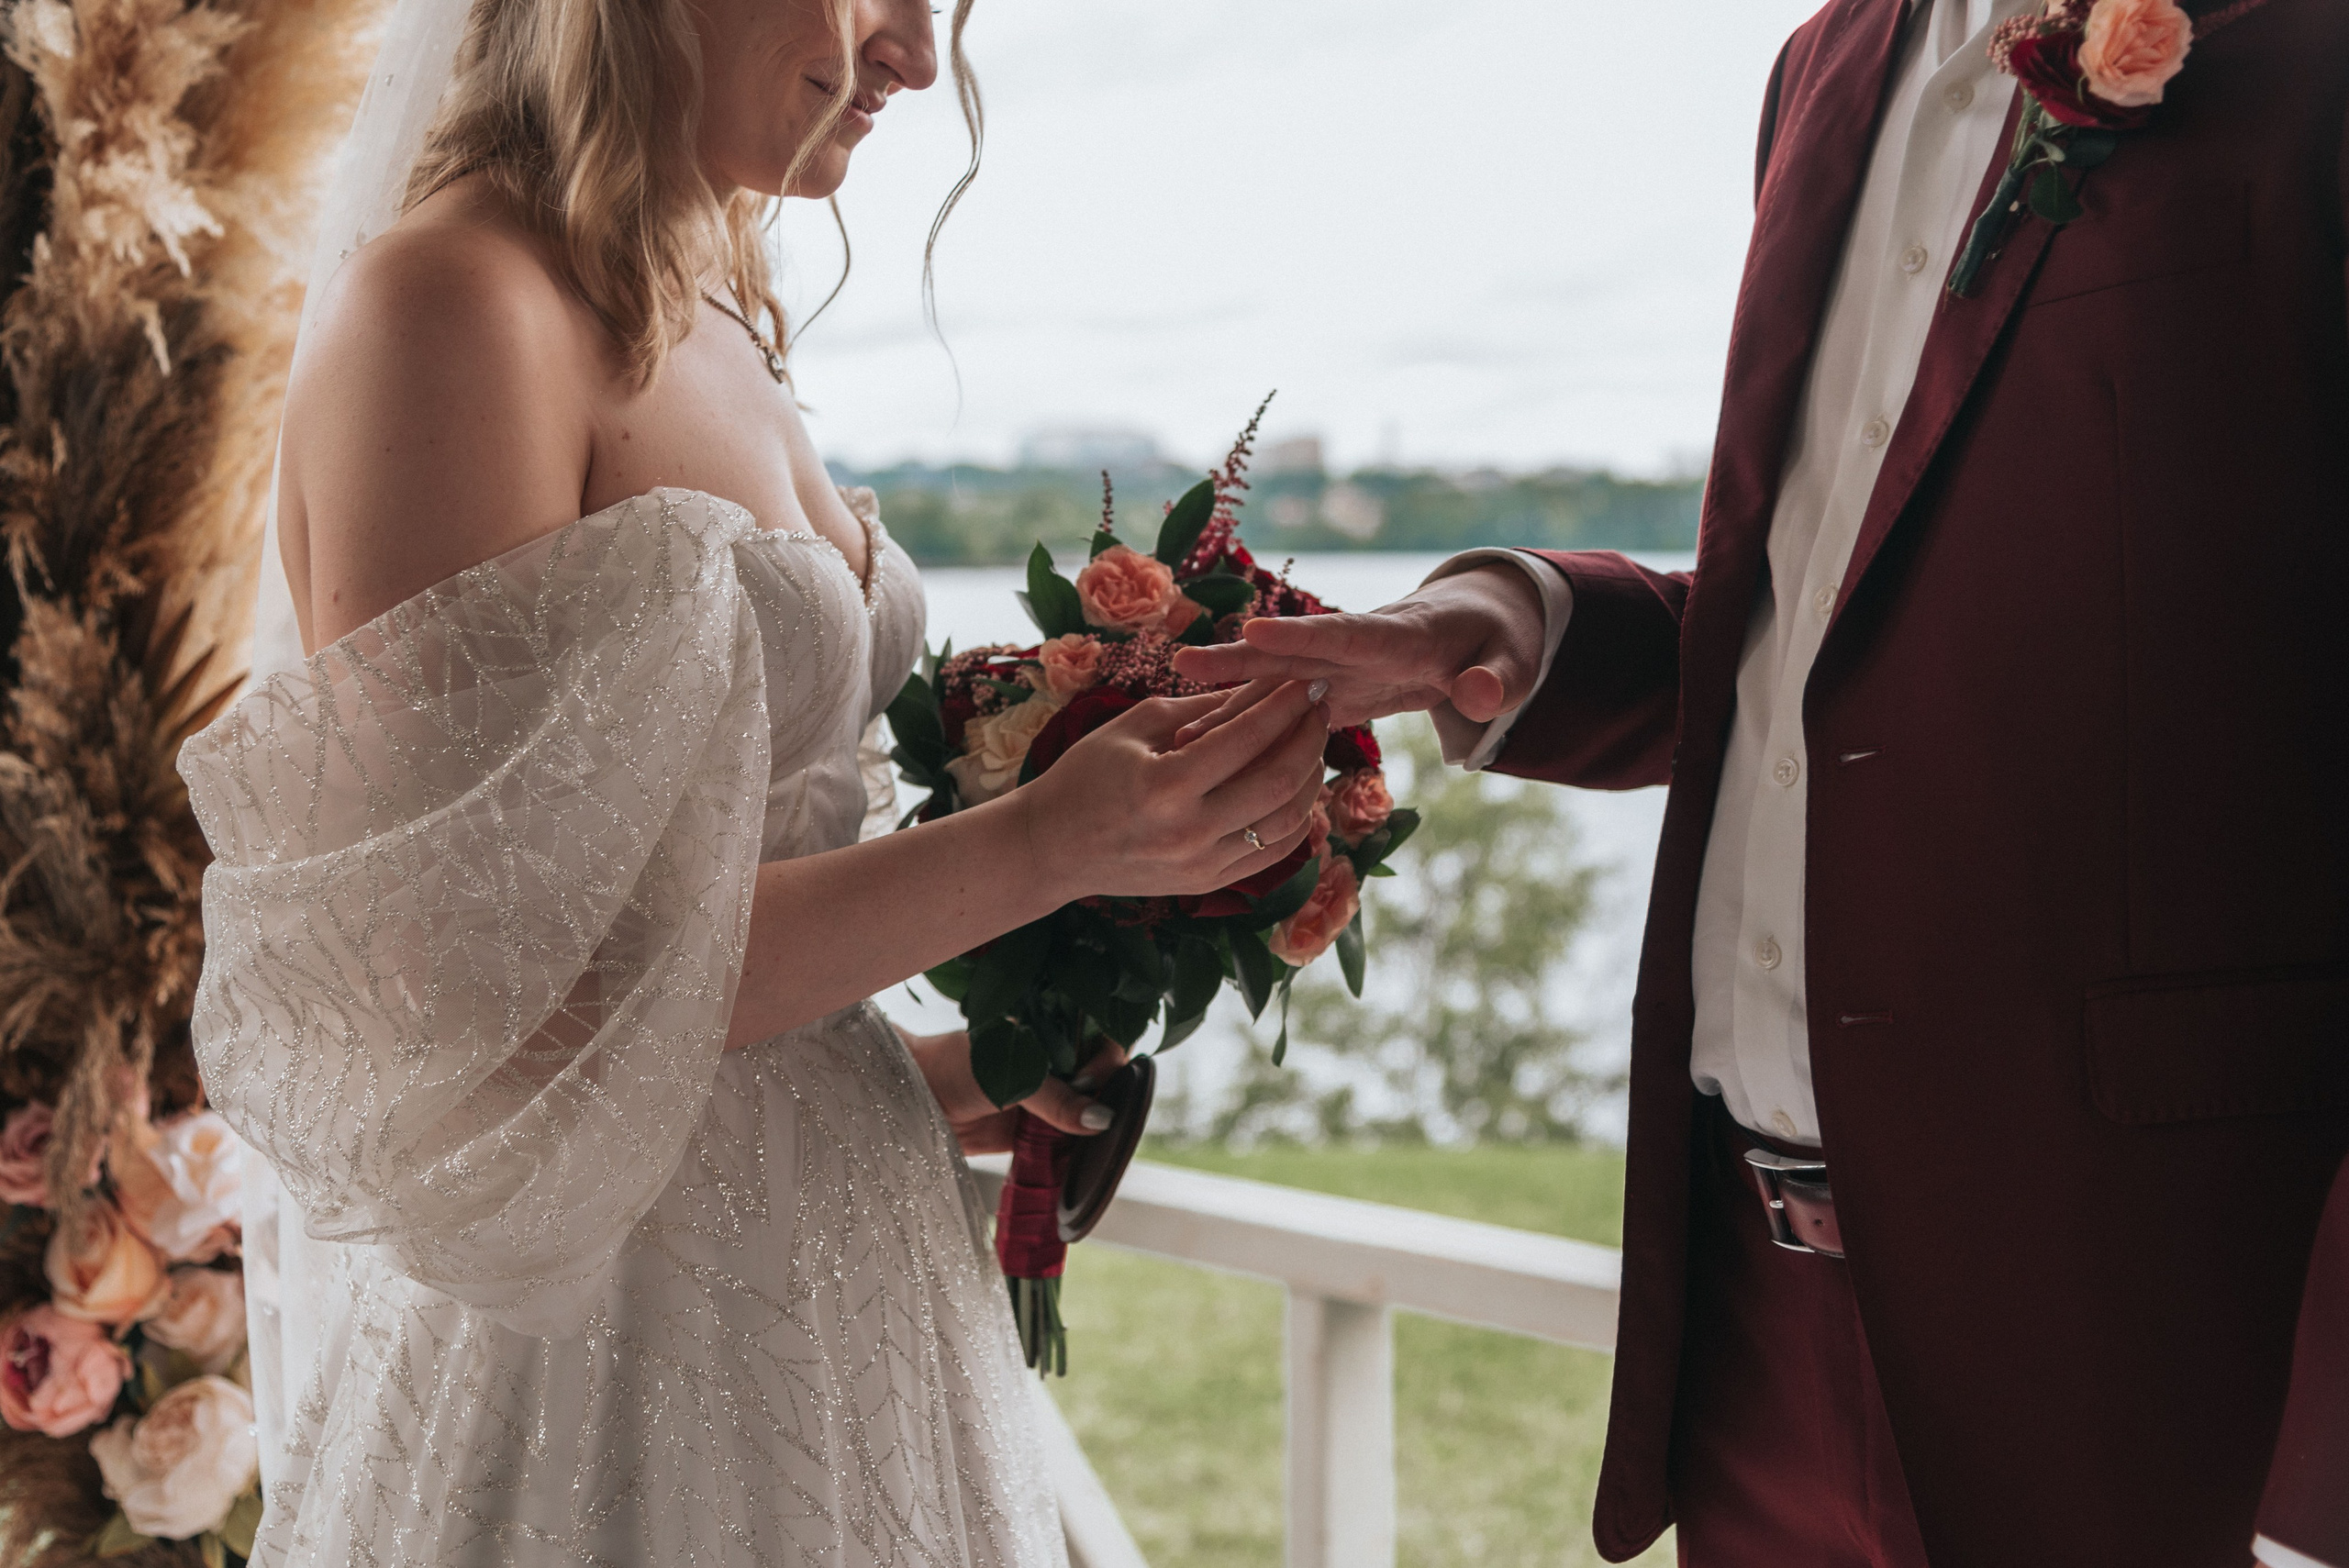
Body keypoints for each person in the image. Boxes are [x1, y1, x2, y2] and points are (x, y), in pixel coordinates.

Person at [1176, 0, 2349, 1563]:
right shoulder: (1819, 68)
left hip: (2130, 1317)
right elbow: (1821, 618)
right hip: (1748, 1309)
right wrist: (1511, 626)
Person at [176, 0, 1330, 1562]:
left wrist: (935, 1077)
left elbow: (682, 997)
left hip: (858, 1300)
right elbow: (463, 985)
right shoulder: (454, 304)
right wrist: (1049, 842)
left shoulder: (705, 299)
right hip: (602, 1370)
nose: (919, 59)